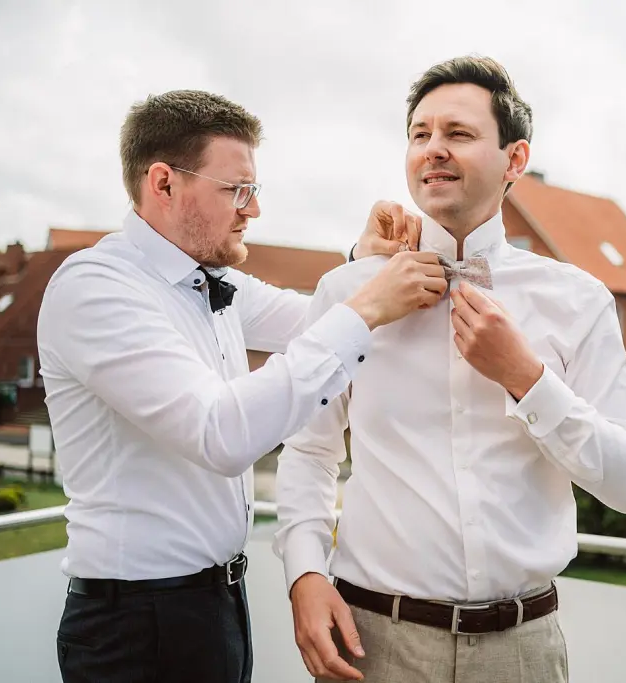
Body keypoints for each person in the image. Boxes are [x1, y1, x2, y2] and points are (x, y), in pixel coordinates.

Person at [37, 89, 448, 683]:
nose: (251, 210)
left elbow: (309, 319)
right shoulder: (95, 289)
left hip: (216, 606)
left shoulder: (211, 279)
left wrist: (362, 260)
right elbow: (220, 432)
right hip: (135, 624)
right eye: (237, 190)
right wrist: (365, 310)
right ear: (164, 183)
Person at [274, 56, 626, 682]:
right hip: (374, 641)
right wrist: (304, 574)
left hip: (523, 652)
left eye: (458, 134)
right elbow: (308, 451)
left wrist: (529, 381)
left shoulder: (579, 300)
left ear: (515, 160)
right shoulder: (346, 292)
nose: (433, 150)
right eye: (420, 134)